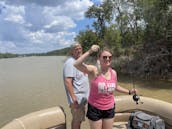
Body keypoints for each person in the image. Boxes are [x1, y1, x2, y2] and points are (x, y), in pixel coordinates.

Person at [74, 44, 137, 129]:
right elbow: (76, 64)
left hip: (109, 108)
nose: (107, 59)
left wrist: (129, 92)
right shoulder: (94, 70)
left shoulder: (113, 72)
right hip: (95, 109)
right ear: (99, 59)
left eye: (109, 57)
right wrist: (90, 51)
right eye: (104, 57)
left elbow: (116, 87)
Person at [63, 43, 89, 129]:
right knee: (76, 121)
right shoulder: (70, 62)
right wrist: (74, 99)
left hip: (83, 98)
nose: (79, 50)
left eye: (80, 48)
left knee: (79, 120)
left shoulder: (80, 61)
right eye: (76, 49)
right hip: (77, 100)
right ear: (71, 52)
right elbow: (68, 81)